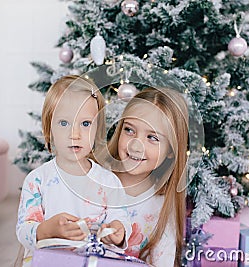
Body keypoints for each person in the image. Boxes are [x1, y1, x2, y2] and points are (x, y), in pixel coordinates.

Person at [16, 75, 131, 267]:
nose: (74, 134)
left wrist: (118, 233)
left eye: (85, 124)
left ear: (97, 130)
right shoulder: (37, 180)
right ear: (49, 129)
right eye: (64, 123)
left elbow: (120, 220)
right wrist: (46, 229)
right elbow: (23, 231)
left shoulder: (109, 182)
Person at [97, 87, 189, 267]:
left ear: (171, 150)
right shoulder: (95, 176)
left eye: (152, 137)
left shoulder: (162, 206)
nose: (136, 146)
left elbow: (162, 261)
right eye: (129, 130)